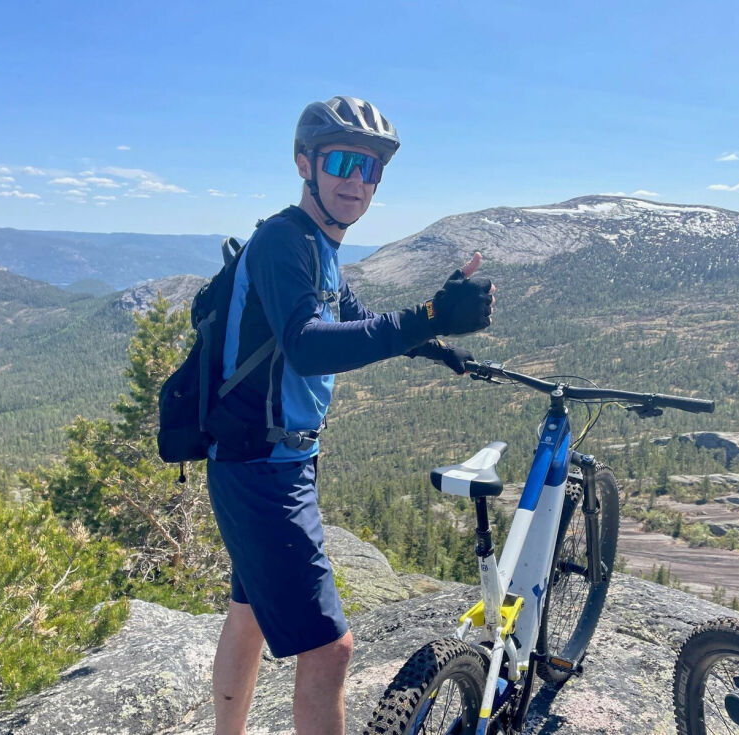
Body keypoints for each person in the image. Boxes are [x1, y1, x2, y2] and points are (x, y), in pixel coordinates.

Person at [206, 95, 494, 735]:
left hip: (268, 459)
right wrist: (424, 319)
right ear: (304, 163)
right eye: (342, 161)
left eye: (371, 169)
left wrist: (439, 343)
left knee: (249, 611)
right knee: (331, 650)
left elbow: (357, 320)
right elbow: (308, 345)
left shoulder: (318, 246)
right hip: (263, 470)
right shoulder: (285, 242)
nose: (357, 181)